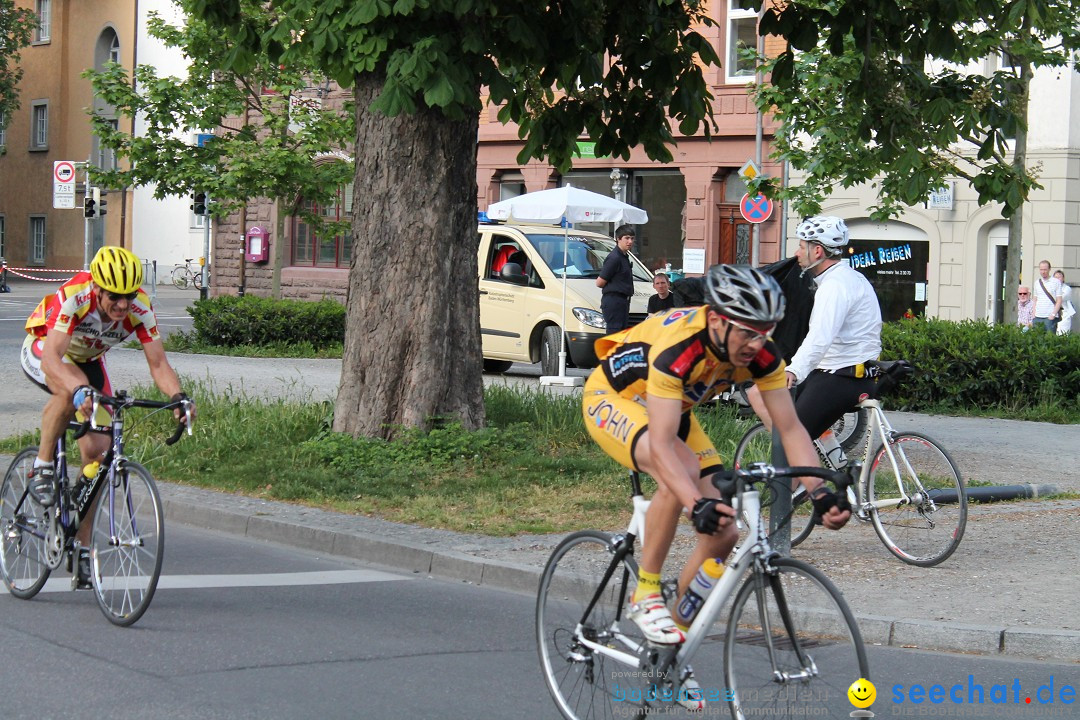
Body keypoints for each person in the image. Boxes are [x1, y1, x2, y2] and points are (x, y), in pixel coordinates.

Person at [582, 264, 850, 710]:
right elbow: (665, 448)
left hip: (670, 408)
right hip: (616, 399)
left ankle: (671, 652)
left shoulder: (759, 354)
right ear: (718, 320)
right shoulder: (682, 348)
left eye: (767, 332)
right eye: (749, 333)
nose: (759, 343)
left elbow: (789, 428)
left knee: (723, 533)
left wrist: (820, 491)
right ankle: (646, 592)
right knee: (681, 477)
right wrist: (693, 503)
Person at [21, 246, 193, 588]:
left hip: (87, 361)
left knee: (99, 454)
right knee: (73, 389)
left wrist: (178, 397)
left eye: (128, 297)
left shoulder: (140, 308)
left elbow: (158, 363)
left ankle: (83, 549)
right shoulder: (74, 295)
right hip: (45, 349)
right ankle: (42, 466)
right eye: (114, 297)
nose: (122, 306)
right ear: (97, 289)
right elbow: (53, 360)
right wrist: (77, 389)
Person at [745, 216, 882, 467]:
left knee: (790, 436)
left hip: (842, 378)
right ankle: (837, 469)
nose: (797, 253)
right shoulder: (850, 278)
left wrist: (794, 370)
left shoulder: (834, 287)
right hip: (850, 373)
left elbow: (820, 337)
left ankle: (810, 489)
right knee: (758, 392)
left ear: (817, 250)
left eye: (801, 246)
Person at [595, 224, 635, 332]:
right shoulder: (614, 258)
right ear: (618, 239)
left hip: (623, 302)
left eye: (632, 238)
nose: (630, 241)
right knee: (614, 337)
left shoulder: (624, 256)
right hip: (614, 301)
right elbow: (599, 283)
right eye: (626, 238)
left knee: (620, 338)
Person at [1033, 260, 1064, 332]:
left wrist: (1053, 314)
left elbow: (1059, 300)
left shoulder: (1056, 282)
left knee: (1049, 339)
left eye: (1045, 269)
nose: (1043, 272)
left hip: (1050, 316)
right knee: (1036, 340)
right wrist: (1033, 313)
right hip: (1038, 316)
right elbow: (1035, 299)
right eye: (1041, 269)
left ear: (1049, 269)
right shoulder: (1037, 283)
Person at [1053, 270, 1074, 336]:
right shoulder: (1051, 288)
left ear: (1063, 278)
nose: (1057, 279)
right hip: (1053, 313)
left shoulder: (1067, 288)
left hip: (1064, 313)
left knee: (1063, 332)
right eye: (1056, 277)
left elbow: (1061, 298)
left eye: (1059, 277)